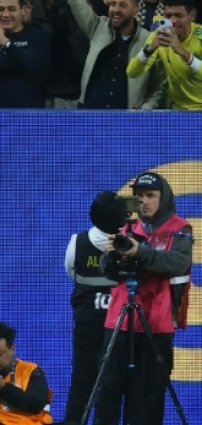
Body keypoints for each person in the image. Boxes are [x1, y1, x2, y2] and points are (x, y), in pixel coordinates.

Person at [93, 172, 193, 425]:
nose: (144, 202)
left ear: (164, 198)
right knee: (108, 392)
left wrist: (141, 252)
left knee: (146, 398)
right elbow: (108, 272)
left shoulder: (179, 229)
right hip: (118, 322)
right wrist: (110, 256)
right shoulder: (126, 229)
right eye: (140, 197)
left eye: (150, 196)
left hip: (155, 325)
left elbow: (177, 264)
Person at [65, 0, 161, 110]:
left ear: (136, 10)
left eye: (122, 6)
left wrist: (147, 108)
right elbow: (75, 1)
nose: (115, 9)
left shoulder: (149, 40)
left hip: (126, 121)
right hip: (89, 113)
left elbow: (159, 86)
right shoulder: (97, 27)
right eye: (113, 4)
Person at [61, 191, 121, 424]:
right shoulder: (131, 246)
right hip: (118, 327)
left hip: (87, 324)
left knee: (82, 382)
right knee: (112, 386)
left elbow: (72, 273)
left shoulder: (77, 242)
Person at [126, 0, 202, 110]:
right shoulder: (159, 35)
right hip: (176, 110)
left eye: (178, 15)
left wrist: (181, 51)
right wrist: (150, 49)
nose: (172, 21)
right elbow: (132, 72)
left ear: (192, 15)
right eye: (168, 16)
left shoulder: (200, 36)